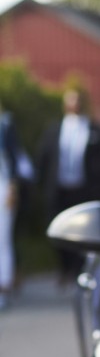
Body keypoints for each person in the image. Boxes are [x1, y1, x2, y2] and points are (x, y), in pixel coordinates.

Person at [37, 88, 100, 282]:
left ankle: (79, 268)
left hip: (83, 190)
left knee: (83, 230)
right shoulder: (54, 129)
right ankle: (65, 267)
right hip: (60, 190)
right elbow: (43, 160)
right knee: (58, 228)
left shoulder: (93, 129)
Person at [0, 103, 20, 309]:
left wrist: (12, 188)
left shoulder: (5, 124)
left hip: (3, 186)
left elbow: (14, 158)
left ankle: (4, 286)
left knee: (3, 238)